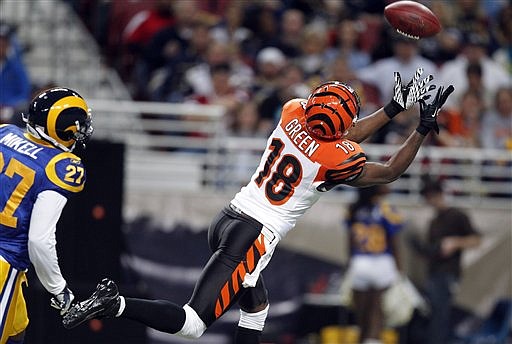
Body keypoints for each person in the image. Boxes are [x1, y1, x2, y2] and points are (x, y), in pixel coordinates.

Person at [63, 68, 453, 344]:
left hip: (230, 218)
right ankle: (114, 304)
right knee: (193, 323)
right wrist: (420, 127)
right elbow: (387, 172)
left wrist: (393, 108)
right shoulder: (334, 159)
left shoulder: (293, 110)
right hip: (254, 237)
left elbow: (340, 130)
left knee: (257, 306)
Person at [0, 87, 94, 343]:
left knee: (17, 330)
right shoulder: (60, 166)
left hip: (10, 268)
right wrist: (58, 289)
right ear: (64, 129)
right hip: (4, 261)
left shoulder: (5, 133)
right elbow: (39, 240)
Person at [409, 177, 482, 344]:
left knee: (440, 316)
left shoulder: (457, 215)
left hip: (448, 272)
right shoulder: (434, 221)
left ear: (438, 195)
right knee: (434, 315)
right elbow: (432, 250)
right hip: (433, 272)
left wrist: (455, 243)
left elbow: (476, 240)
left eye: (430, 197)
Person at [344, 185, 403, 344]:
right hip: (382, 261)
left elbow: (350, 241)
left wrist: (349, 265)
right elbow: (394, 241)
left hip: (360, 262)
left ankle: (363, 339)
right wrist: (399, 269)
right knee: (377, 313)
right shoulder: (386, 208)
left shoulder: (353, 208)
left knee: (361, 314)